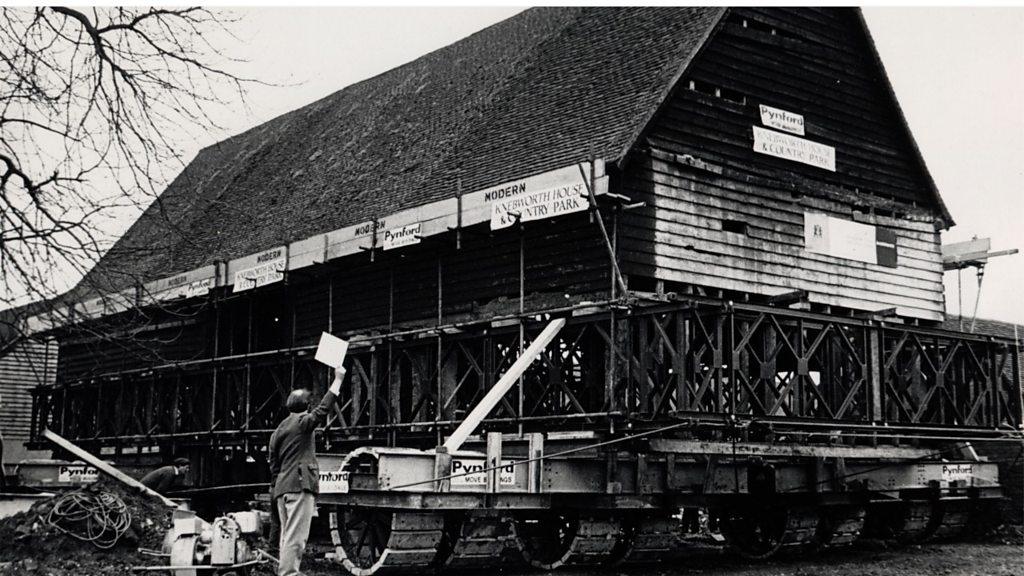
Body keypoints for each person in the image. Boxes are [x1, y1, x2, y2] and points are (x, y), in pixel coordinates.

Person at [269, 367, 345, 576]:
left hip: (282, 488)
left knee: (287, 535)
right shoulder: (302, 423)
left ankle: (286, 571)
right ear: (307, 406)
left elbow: (274, 466)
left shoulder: (278, 431)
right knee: (296, 537)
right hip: (299, 486)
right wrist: (338, 380)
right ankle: (289, 574)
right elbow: (324, 409)